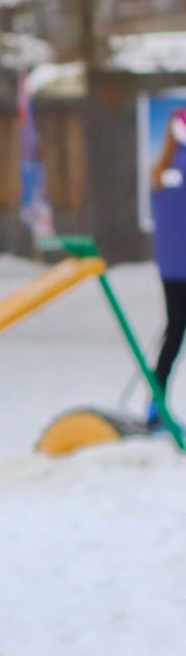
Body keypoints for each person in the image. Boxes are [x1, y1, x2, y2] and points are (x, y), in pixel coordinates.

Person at [150, 106, 186, 429]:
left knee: (174, 333)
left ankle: (154, 404)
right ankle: (155, 405)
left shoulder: (160, 169)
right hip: (180, 267)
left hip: (170, 269)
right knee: (175, 333)